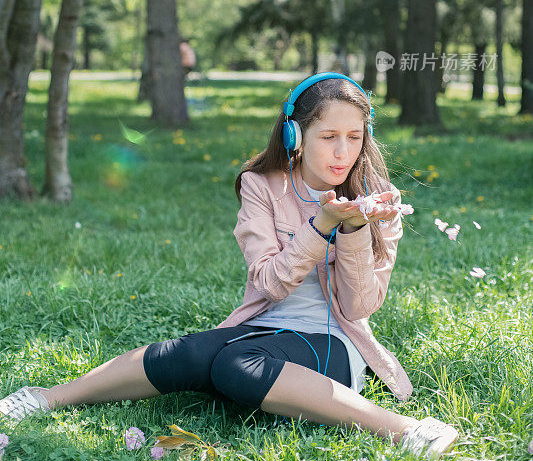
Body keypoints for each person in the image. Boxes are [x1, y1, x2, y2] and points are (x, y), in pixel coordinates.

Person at [0, 73, 459, 458]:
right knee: (192, 353)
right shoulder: (262, 187)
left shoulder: (379, 199)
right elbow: (270, 285)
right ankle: (46, 398)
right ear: (294, 137)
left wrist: (355, 230)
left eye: (354, 138)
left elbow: (360, 306)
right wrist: (320, 226)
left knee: (234, 363)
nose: (343, 152)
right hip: (266, 326)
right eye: (329, 137)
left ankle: (405, 429)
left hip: (337, 342)